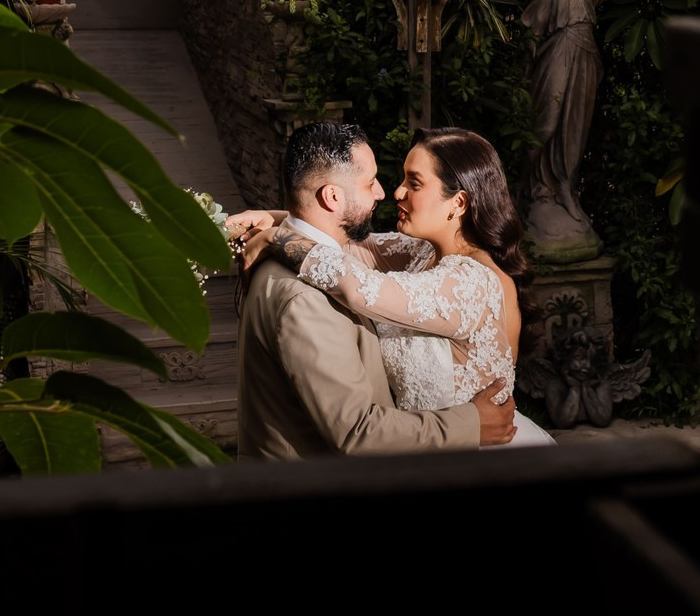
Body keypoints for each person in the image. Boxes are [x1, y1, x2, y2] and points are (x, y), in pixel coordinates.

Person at [230, 125, 554, 449]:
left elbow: (358, 288)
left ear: (457, 203)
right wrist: (279, 218)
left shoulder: (474, 283)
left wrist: (279, 236)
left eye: (414, 183)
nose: (396, 192)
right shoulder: (420, 253)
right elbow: (347, 234)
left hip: (472, 449)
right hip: (424, 447)